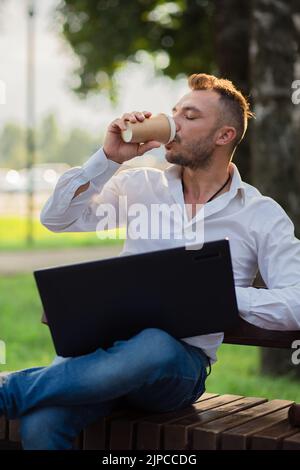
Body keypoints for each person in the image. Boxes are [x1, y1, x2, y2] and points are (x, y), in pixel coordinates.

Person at [1, 73, 300, 450]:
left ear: (224, 135)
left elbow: (297, 302)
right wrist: (108, 159)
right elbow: (57, 219)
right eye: (173, 113)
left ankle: (7, 392)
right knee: (42, 423)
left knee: (155, 343)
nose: (173, 123)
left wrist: (216, 296)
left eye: (189, 117)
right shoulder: (140, 186)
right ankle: (17, 395)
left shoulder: (260, 214)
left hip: (176, 369)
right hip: (102, 354)